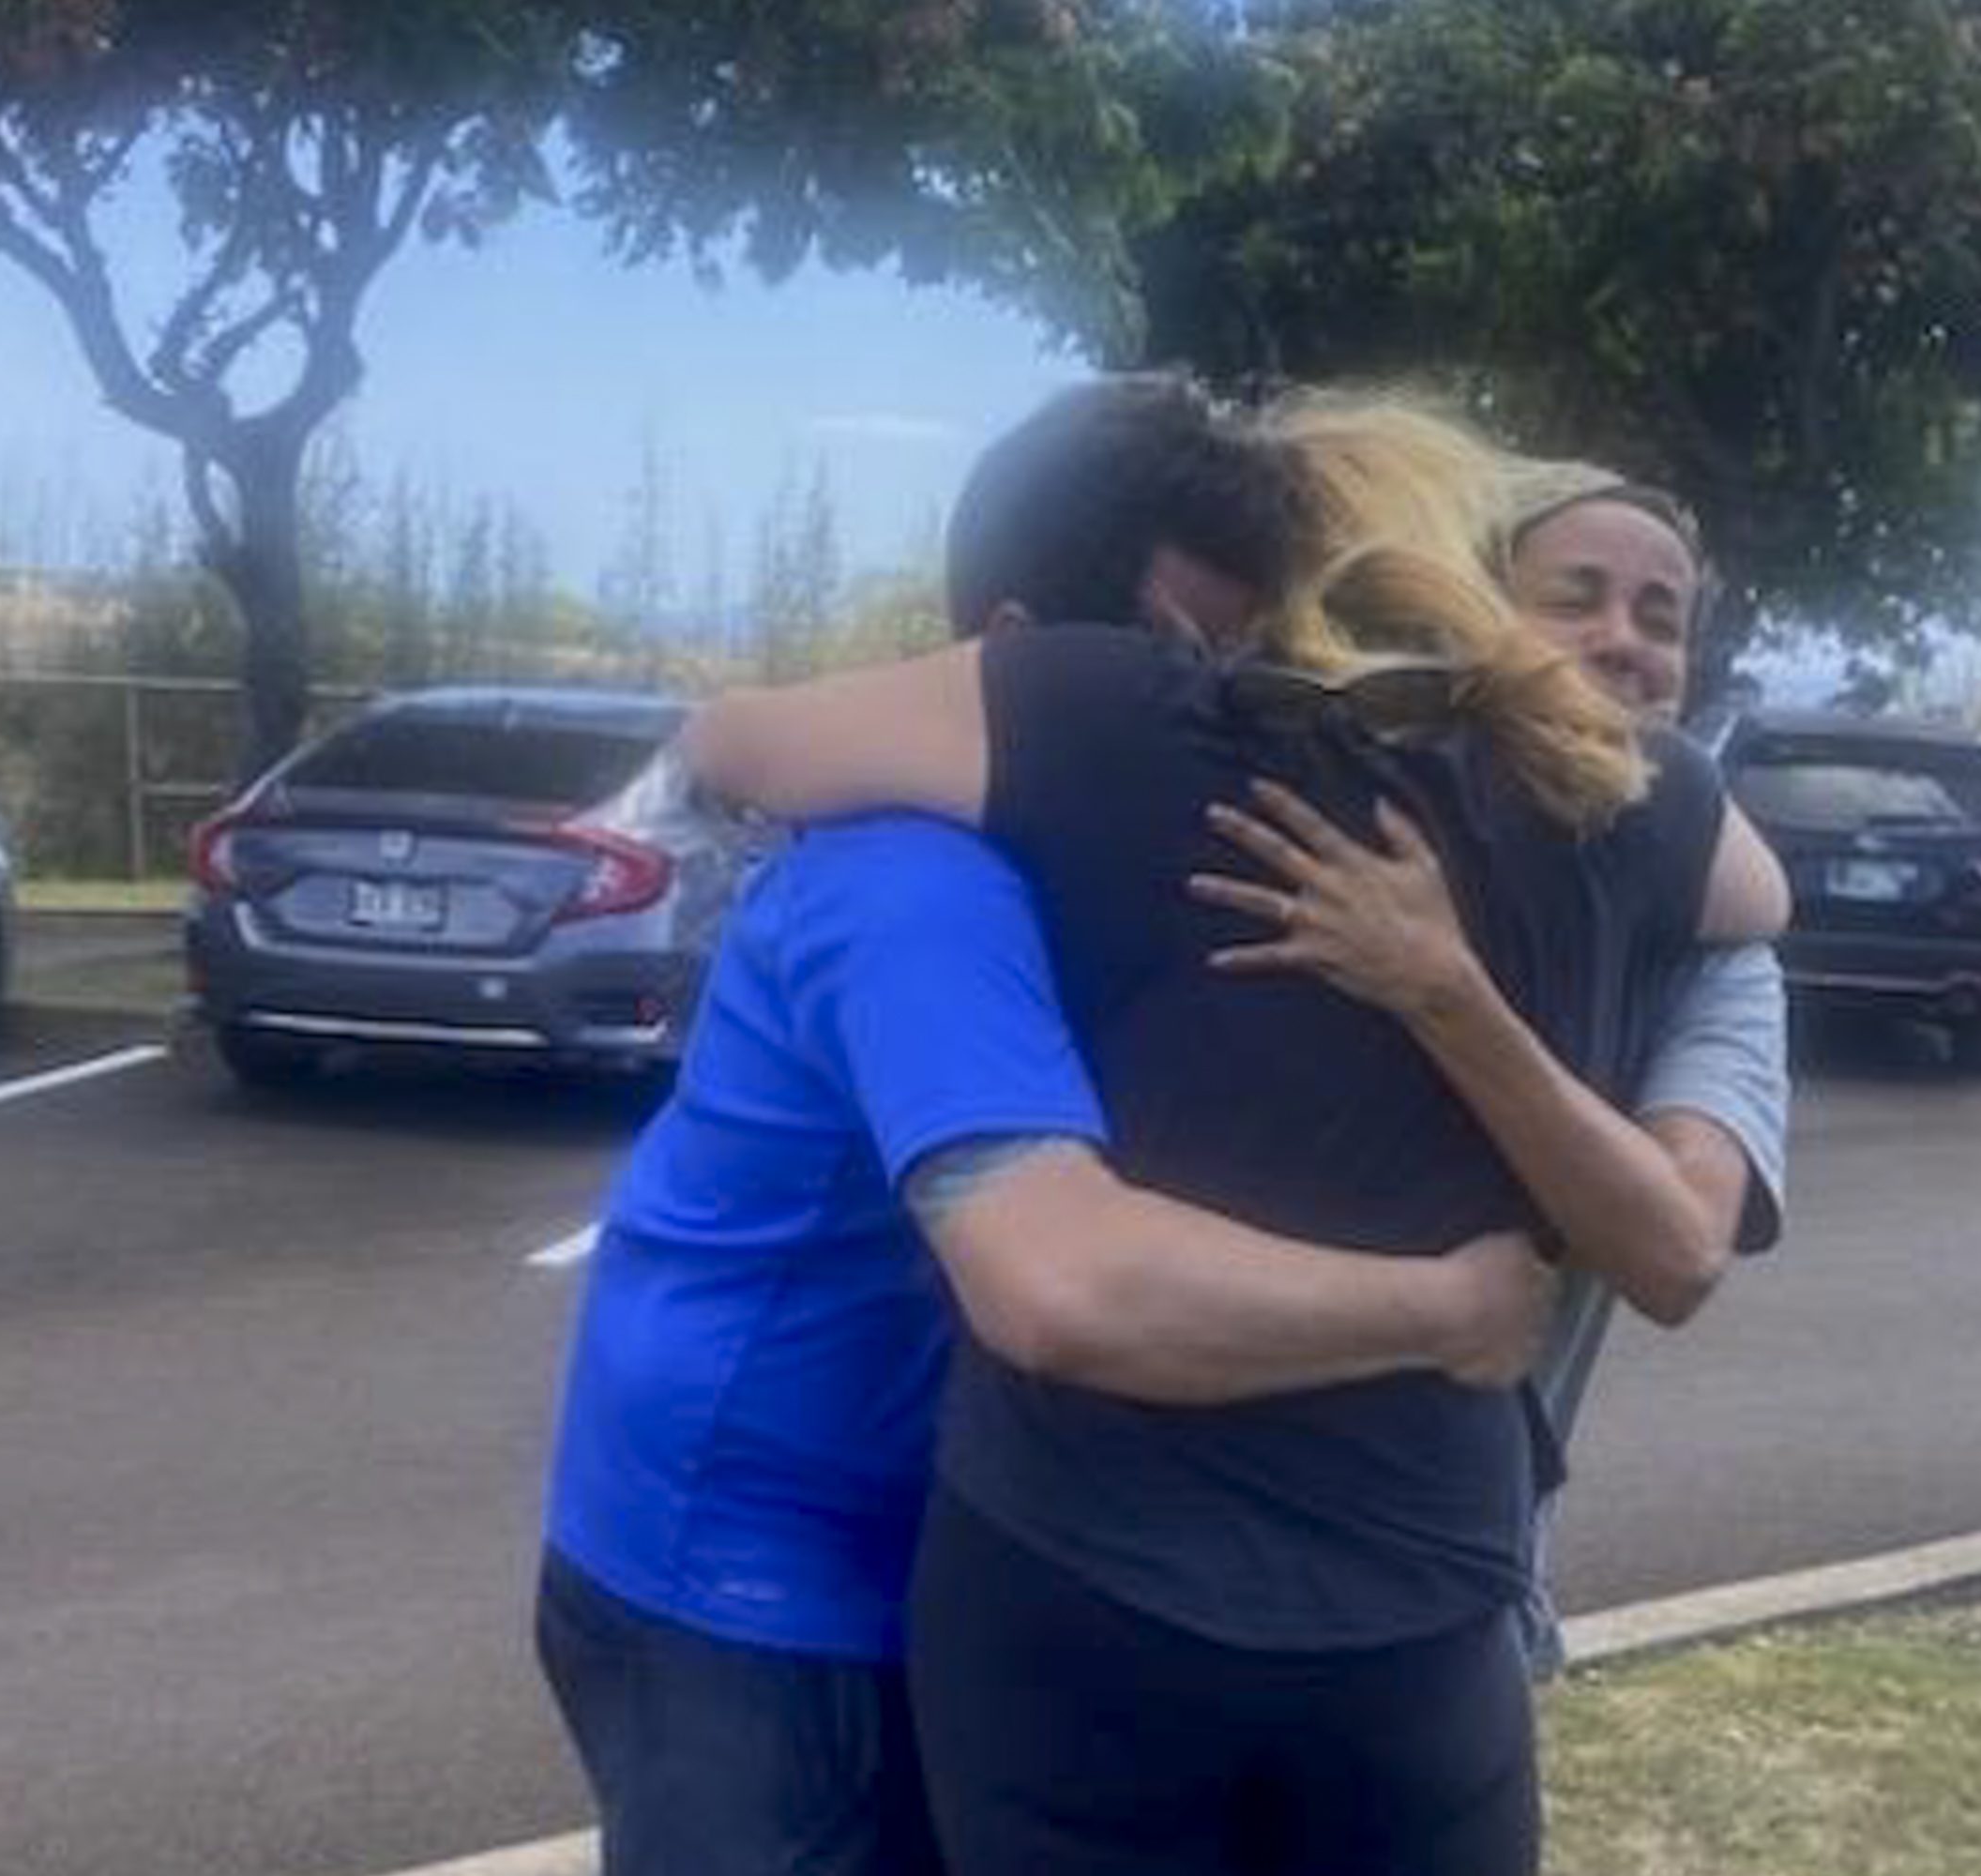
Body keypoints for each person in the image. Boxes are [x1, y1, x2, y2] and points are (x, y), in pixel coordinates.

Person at [681, 392, 1787, 1874]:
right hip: (1420, 1598)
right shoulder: (1641, 805)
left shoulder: (1122, 716)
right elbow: (1760, 907)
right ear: (1480, 573)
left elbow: (740, 743)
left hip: (1074, 1576)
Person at [534, 378, 1563, 1876]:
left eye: (1257, 677)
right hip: (749, 1585)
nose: (1236, 730)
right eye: (1186, 672)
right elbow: (1065, 1286)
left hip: (923, 1543)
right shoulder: (919, 886)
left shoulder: (1090, 864)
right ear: (1021, 662)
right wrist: (1449, 1308)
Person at [1184, 446, 1792, 1672]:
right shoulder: (1324, 835)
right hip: (1173, 1568)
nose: (1623, 641)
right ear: (1471, 615)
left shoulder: (1720, 952)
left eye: (1660, 619)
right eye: (1574, 596)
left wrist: (1441, 988)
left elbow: (1677, 1253)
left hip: (1462, 1585)